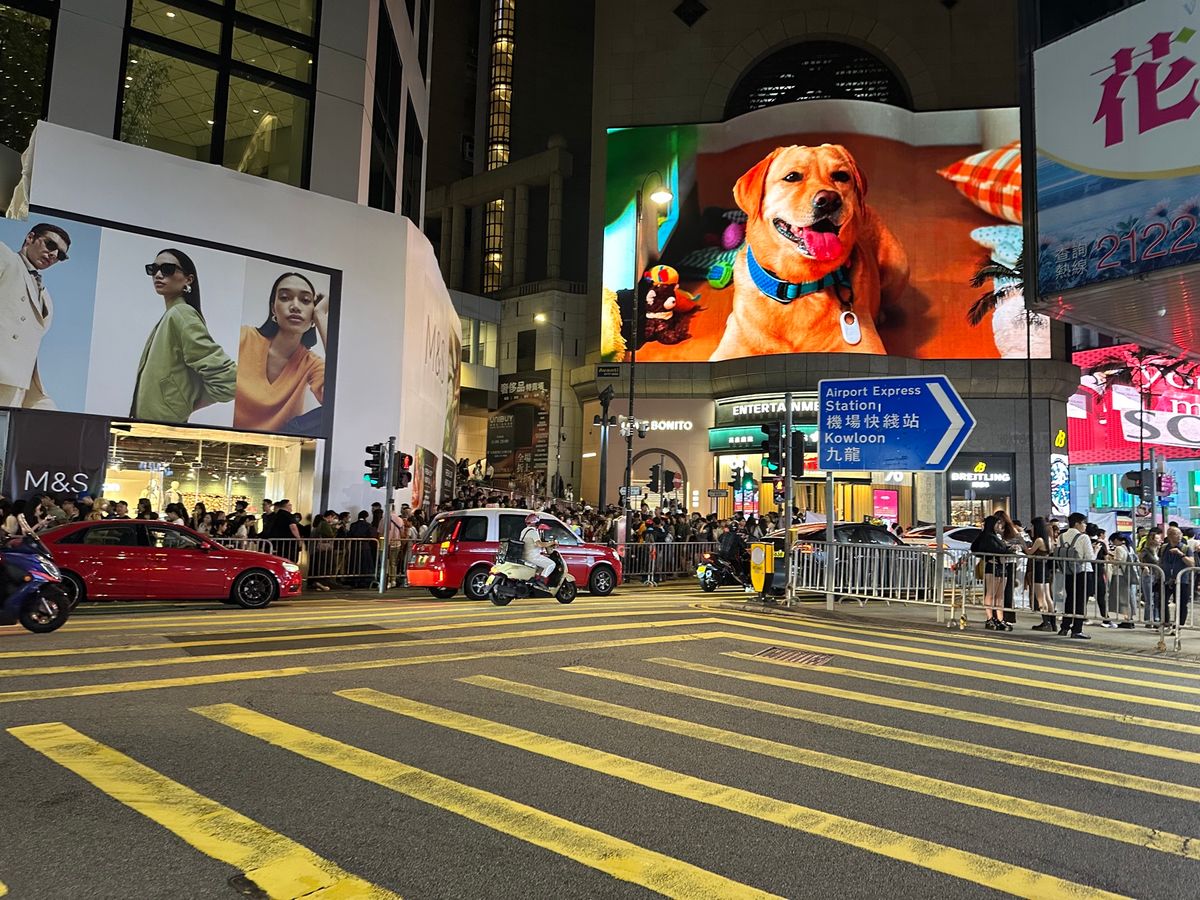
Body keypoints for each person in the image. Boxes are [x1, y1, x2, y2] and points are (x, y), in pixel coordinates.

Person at [131, 249, 237, 422]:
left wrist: (183, 405)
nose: (158, 274)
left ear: (188, 279)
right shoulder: (173, 315)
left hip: (161, 432)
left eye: (167, 269)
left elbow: (229, 381)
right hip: (152, 430)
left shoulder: (182, 314)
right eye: (153, 269)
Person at [234, 272, 328, 433]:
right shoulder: (243, 337)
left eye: (305, 301)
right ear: (273, 309)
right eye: (285, 297)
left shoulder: (311, 363)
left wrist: (320, 315)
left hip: (280, 448)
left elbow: (340, 403)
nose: (295, 306)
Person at [0, 222, 70, 409]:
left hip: (21, 381)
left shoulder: (45, 296)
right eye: (50, 245)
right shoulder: (5, 257)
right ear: (30, 238)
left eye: (61, 255)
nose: (54, 255)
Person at [971, 515, 1011, 630]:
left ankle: (999, 619)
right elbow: (977, 549)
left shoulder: (995, 536)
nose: (1000, 526)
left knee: (999, 595)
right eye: (997, 524)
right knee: (991, 594)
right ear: (992, 525)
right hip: (993, 566)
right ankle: (990, 619)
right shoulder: (987, 536)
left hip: (1001, 566)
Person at [1059, 512, 1094, 639]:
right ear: (1077, 523)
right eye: (1083, 523)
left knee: (1070, 599)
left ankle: (1064, 627)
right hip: (1083, 571)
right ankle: (1077, 629)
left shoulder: (1061, 536)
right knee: (1080, 601)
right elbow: (1090, 557)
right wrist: (1095, 550)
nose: (1085, 525)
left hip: (1068, 571)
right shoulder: (1084, 538)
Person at [1159, 526, 1194, 635]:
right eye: (1175, 534)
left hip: (1182, 580)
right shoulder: (1164, 548)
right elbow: (1160, 561)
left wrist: (1180, 554)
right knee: (1162, 601)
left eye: (1180, 534)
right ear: (1169, 536)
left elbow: (1192, 563)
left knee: (1181, 604)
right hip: (1166, 579)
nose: (1179, 536)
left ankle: (1178, 626)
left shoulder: (1186, 548)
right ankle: (1165, 623)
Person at [1026, 516, 1056, 631]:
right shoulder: (1048, 539)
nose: (1031, 528)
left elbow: (1029, 552)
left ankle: (1046, 622)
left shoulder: (1039, 540)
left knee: (1040, 597)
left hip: (1039, 568)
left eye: (1033, 526)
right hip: (1046, 569)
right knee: (1048, 596)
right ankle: (1052, 623)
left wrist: (1022, 543)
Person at [519, 512, 556, 586]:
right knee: (551, 564)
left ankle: (534, 581)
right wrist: (552, 543)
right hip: (532, 556)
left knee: (540, 567)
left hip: (525, 556)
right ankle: (541, 581)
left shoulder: (524, 531)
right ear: (535, 522)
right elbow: (540, 544)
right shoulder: (533, 531)